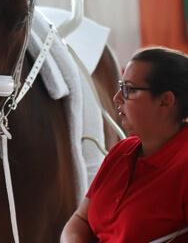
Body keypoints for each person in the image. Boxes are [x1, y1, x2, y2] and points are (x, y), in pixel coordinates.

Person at [60, 46, 188, 243]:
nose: (117, 98)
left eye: (130, 89)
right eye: (121, 87)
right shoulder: (121, 151)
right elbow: (81, 219)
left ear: (165, 101)